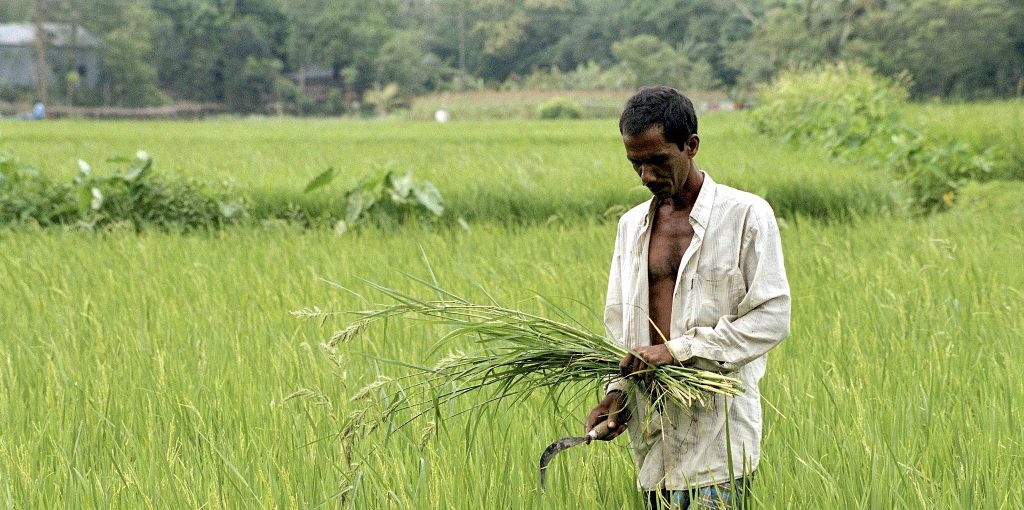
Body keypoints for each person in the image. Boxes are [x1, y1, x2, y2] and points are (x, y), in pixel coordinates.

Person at [585, 86, 791, 509]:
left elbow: (771, 318)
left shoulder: (747, 216)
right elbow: (620, 324)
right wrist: (617, 394)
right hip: (653, 443)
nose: (646, 176)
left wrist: (676, 351)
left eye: (658, 160)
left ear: (691, 145)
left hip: (719, 441)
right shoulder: (631, 227)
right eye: (635, 163)